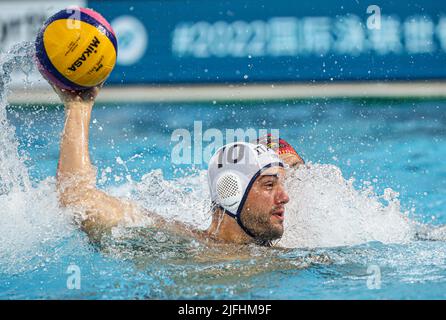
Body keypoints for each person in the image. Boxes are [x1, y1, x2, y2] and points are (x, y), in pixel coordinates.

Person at [52, 84, 290, 247]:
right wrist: (78, 106)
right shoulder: (180, 243)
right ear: (232, 191)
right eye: (269, 185)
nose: (285, 197)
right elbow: (78, 199)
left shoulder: (289, 258)